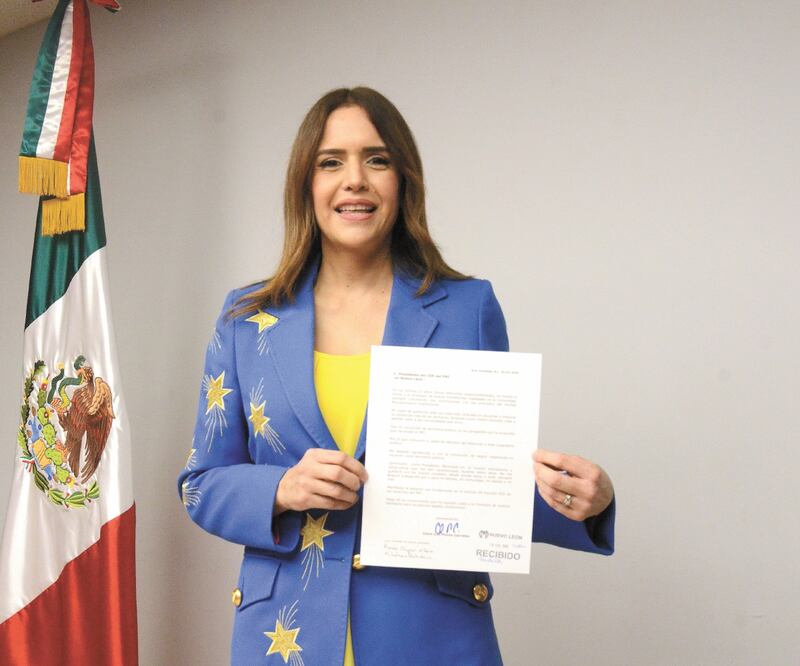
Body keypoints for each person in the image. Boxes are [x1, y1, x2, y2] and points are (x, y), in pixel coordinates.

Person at [178, 87, 615, 666]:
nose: (354, 179)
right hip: (283, 641)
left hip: (432, 637)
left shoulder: (467, 308)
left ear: (402, 179)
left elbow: (482, 488)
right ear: (305, 185)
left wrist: (585, 504)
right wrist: (280, 489)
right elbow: (200, 483)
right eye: (331, 162)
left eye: (376, 160)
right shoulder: (245, 319)